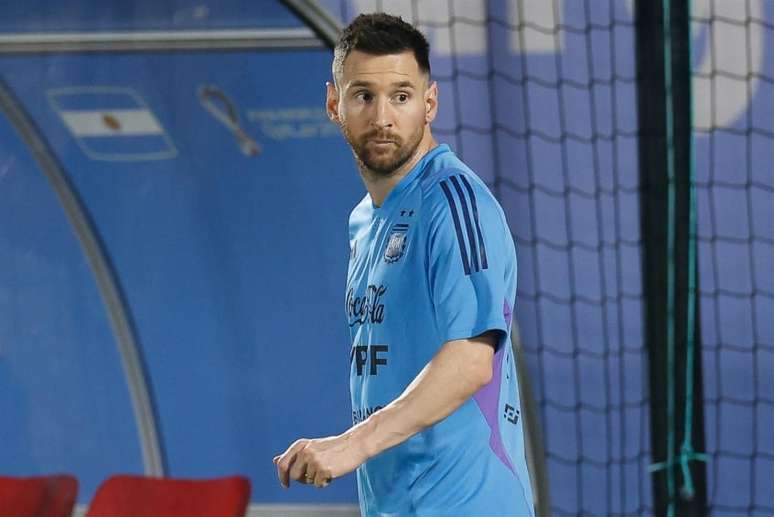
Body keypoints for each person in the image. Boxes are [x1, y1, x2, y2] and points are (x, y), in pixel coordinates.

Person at [274, 13, 535, 516]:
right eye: (363, 96)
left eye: (401, 95)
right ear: (334, 103)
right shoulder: (363, 223)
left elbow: (471, 359)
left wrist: (351, 444)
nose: (382, 118)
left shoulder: (454, 203)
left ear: (429, 103)